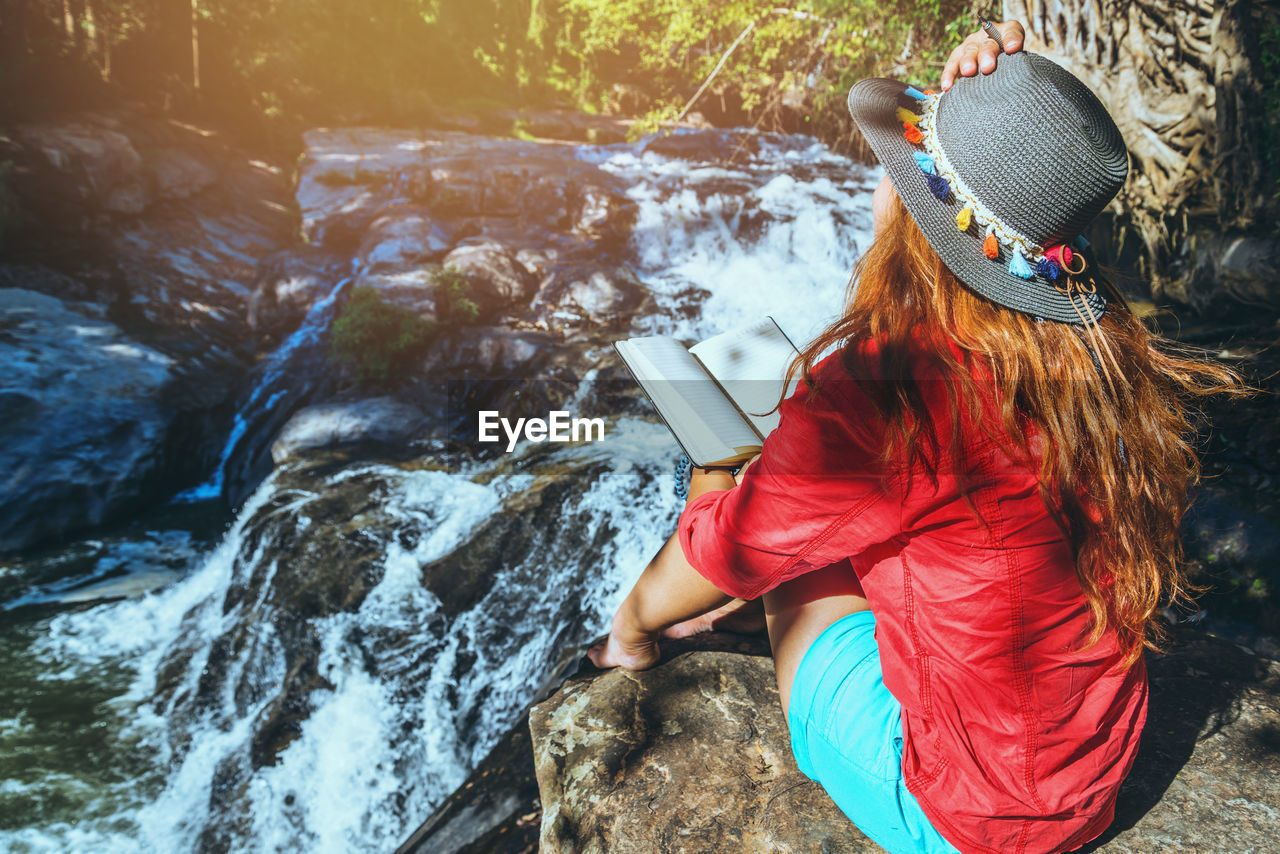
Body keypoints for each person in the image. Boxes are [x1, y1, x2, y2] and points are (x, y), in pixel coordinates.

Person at [589, 19, 1242, 854]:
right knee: (835, 517)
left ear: (909, 210)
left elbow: (731, 553)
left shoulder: (887, 389)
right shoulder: (1098, 348)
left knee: (791, 563)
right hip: (1093, 768)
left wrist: (639, 618)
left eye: (900, 166)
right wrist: (980, 116)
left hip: (972, 813)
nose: (881, 180)